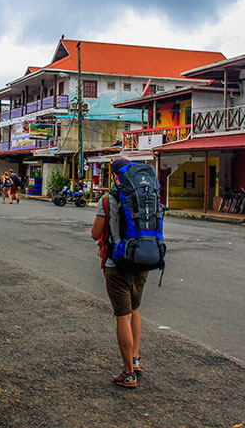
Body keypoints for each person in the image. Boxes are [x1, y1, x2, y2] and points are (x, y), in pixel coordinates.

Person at [90, 158, 149, 389]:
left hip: (117, 264)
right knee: (135, 309)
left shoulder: (108, 200)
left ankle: (128, 374)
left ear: (115, 176)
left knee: (122, 315)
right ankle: (135, 359)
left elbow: (96, 234)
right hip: (143, 261)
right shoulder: (145, 196)